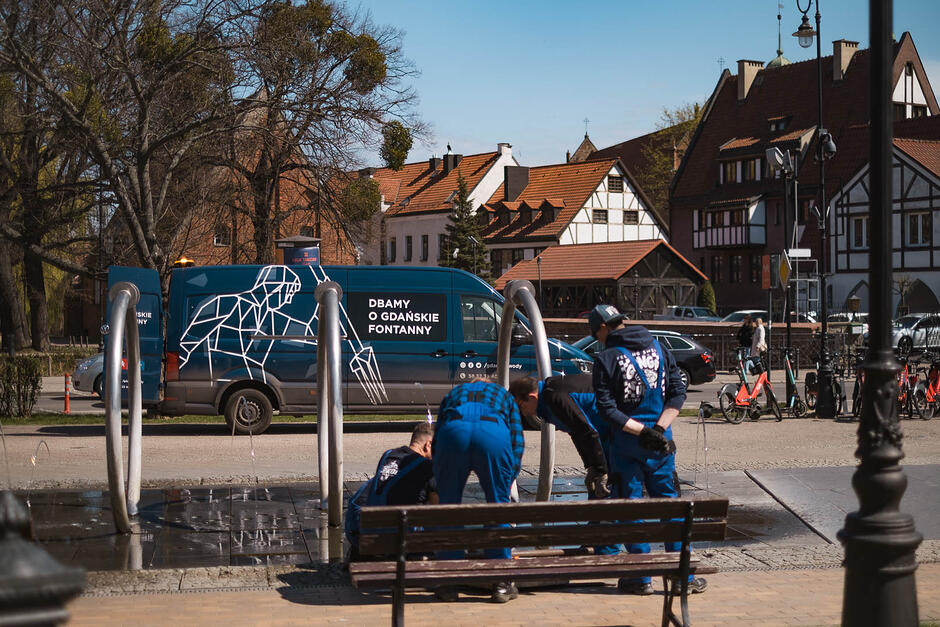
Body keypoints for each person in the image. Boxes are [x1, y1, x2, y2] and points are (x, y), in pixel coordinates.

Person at [589, 304, 707, 596]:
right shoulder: (659, 348)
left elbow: (607, 410)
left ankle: (640, 577)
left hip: (626, 445)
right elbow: (678, 393)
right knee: (669, 507)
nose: (597, 338)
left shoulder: (605, 359)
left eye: (595, 333)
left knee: (630, 508)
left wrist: (640, 431)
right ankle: (682, 577)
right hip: (661, 443)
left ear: (604, 329)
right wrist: (658, 429)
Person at [432, 379, 524, 603]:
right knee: (497, 508)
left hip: (453, 432)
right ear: (488, 383)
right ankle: (501, 583)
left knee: (449, 509)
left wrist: (441, 478)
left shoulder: (454, 393)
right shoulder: (503, 395)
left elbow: (436, 439)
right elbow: (517, 442)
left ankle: (448, 583)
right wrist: (506, 480)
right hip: (492, 433)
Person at [509, 373, 619, 556]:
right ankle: (595, 538)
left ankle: (606, 549)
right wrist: (590, 466)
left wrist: (600, 470)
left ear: (531, 397)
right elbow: (576, 432)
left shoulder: (554, 398)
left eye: (522, 406)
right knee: (597, 488)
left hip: (611, 432)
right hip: (604, 432)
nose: (522, 412)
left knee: (605, 489)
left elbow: (587, 432)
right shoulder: (549, 398)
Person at [344, 422, 436, 561]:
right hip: (397, 541)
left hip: (361, 532)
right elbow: (439, 514)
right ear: (428, 445)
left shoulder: (388, 455)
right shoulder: (428, 468)